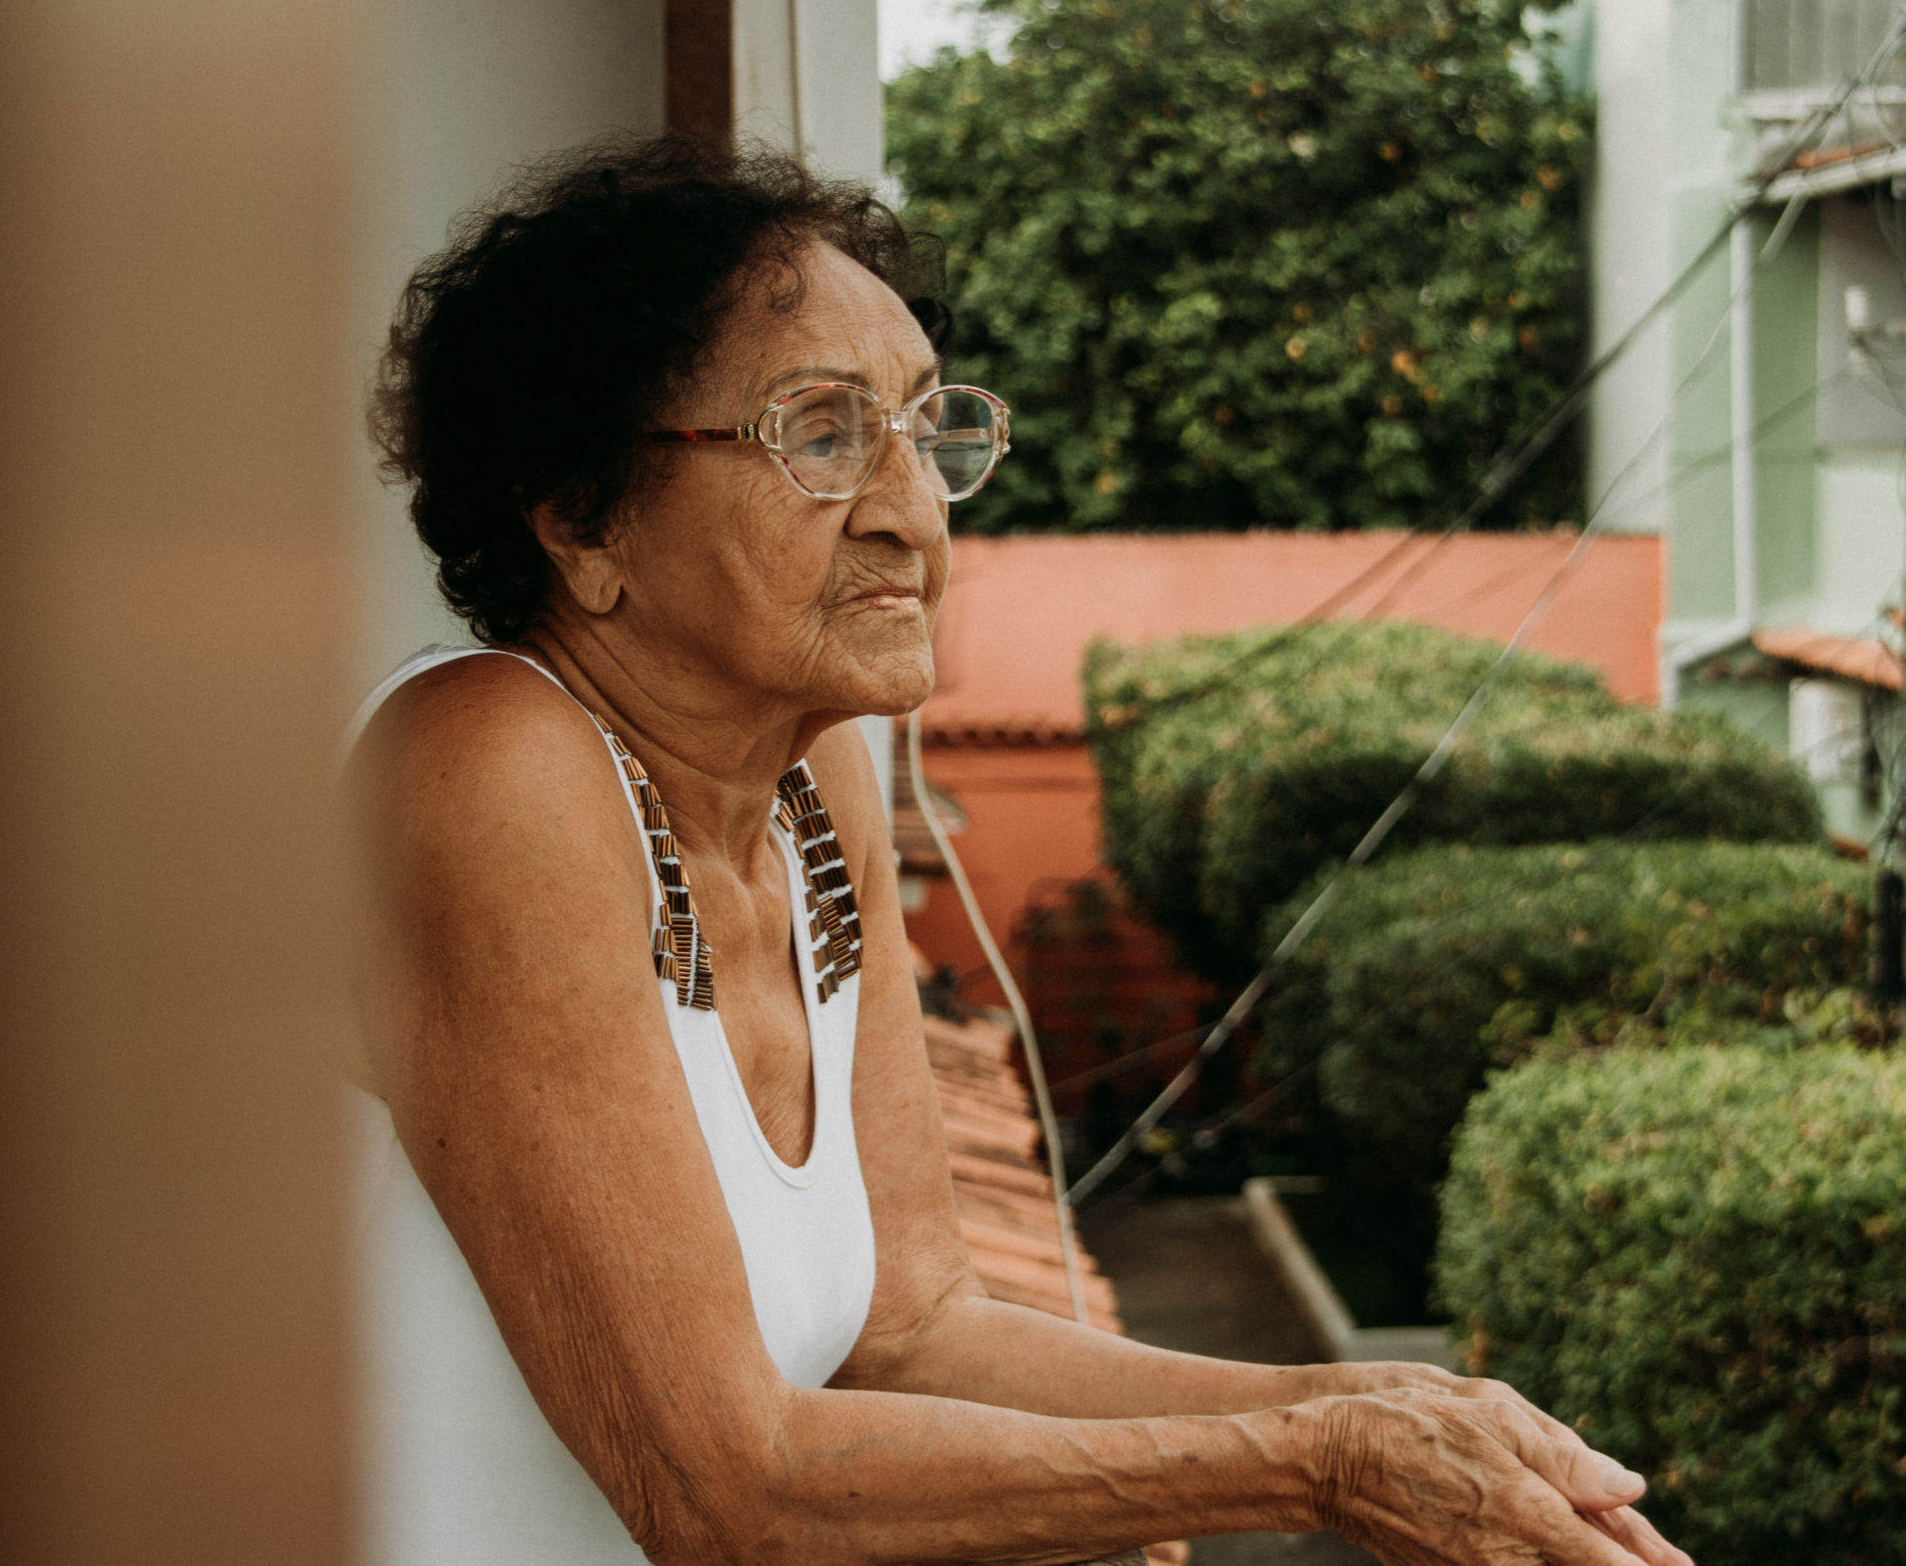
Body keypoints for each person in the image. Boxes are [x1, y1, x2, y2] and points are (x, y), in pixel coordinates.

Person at [346, 134, 1690, 1566]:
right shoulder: (484, 765)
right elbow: (724, 1487)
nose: (911, 512)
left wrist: (1384, 1402)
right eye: (819, 436)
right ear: (582, 516)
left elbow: (913, 1334)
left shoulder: (815, 788)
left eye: (926, 432)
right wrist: (1321, 1461)